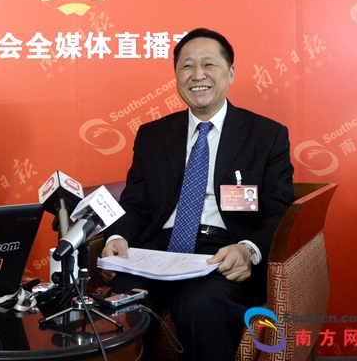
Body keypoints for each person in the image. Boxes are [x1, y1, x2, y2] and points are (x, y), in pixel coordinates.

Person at [101, 28, 294, 360]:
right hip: (159, 253)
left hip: (224, 252)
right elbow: (136, 204)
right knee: (122, 301)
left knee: (200, 303)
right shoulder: (152, 135)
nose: (197, 75)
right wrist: (118, 237)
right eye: (187, 66)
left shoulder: (266, 135)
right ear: (176, 76)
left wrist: (248, 250)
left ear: (230, 73)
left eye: (209, 64)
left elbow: (279, 211)